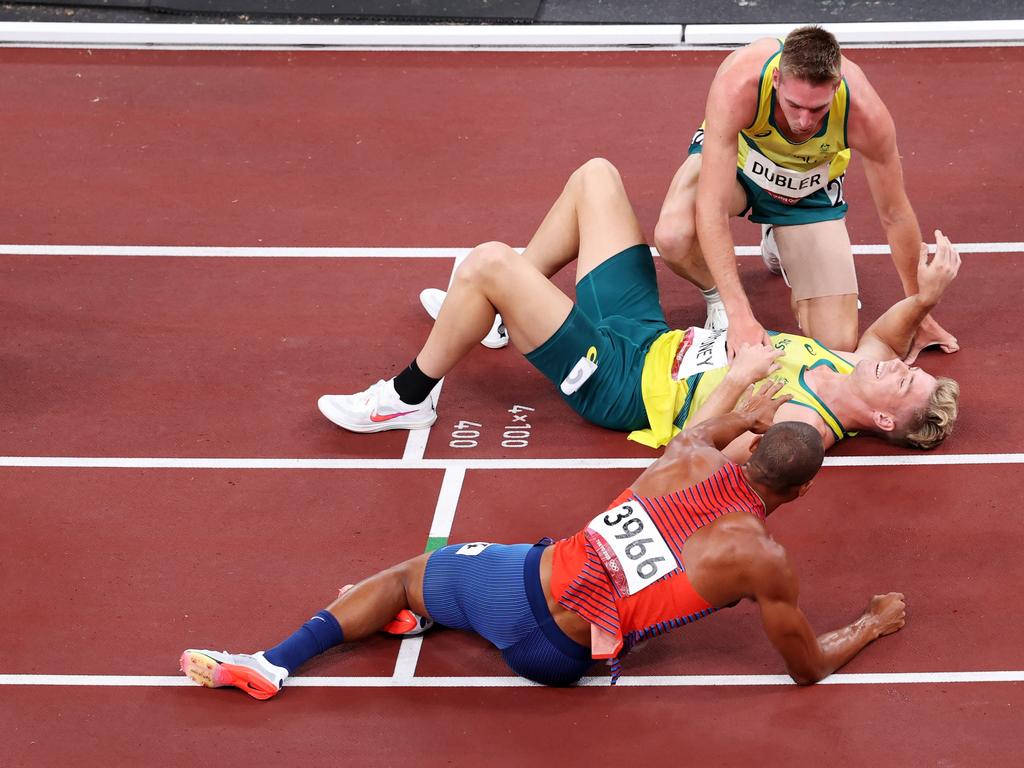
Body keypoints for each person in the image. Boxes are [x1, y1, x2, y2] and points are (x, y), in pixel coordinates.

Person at [181, 385, 907, 699]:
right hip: (556, 660)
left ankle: (272, 664)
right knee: (423, 595)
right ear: (802, 493)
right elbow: (807, 668)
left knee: (410, 574)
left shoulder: (687, 455)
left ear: (747, 451)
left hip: (517, 586)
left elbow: (699, 431)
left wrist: (741, 410)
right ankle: (422, 616)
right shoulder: (764, 561)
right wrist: (875, 620)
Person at [318, 158, 959, 456]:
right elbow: (884, 335)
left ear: (879, 417)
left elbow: (691, 458)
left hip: (619, 383)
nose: (899, 365)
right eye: (910, 367)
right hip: (648, 336)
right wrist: (924, 296)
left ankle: (409, 396)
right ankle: (483, 316)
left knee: (489, 260)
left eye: (903, 379)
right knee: (596, 177)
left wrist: (737, 379)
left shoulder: (803, 427)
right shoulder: (851, 367)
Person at [654, 25, 958, 363]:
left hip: (804, 193)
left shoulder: (865, 114)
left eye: (818, 109)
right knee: (674, 235)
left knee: (837, 344)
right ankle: (718, 299)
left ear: (837, 86)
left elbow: (895, 214)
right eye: (794, 105)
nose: (803, 121)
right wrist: (738, 314)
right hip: (738, 173)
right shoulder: (738, 84)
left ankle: (779, 240)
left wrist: (919, 311)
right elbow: (710, 207)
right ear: (775, 82)